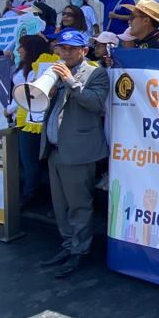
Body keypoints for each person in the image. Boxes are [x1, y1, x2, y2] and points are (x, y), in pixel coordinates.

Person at [38, 29, 110, 278]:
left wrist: (70, 81)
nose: (64, 52)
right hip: (55, 149)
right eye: (61, 48)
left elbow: (96, 103)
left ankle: (80, 250)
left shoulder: (96, 73)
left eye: (70, 49)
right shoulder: (54, 72)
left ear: (84, 51)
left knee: (79, 205)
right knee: (60, 204)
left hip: (79, 152)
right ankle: (68, 245)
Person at [7, 34, 51, 208]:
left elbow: (27, 94)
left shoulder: (37, 69)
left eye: (22, 46)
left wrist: (9, 109)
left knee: (29, 160)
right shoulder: (23, 66)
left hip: (31, 120)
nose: (18, 50)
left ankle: (29, 195)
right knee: (24, 160)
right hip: (19, 118)